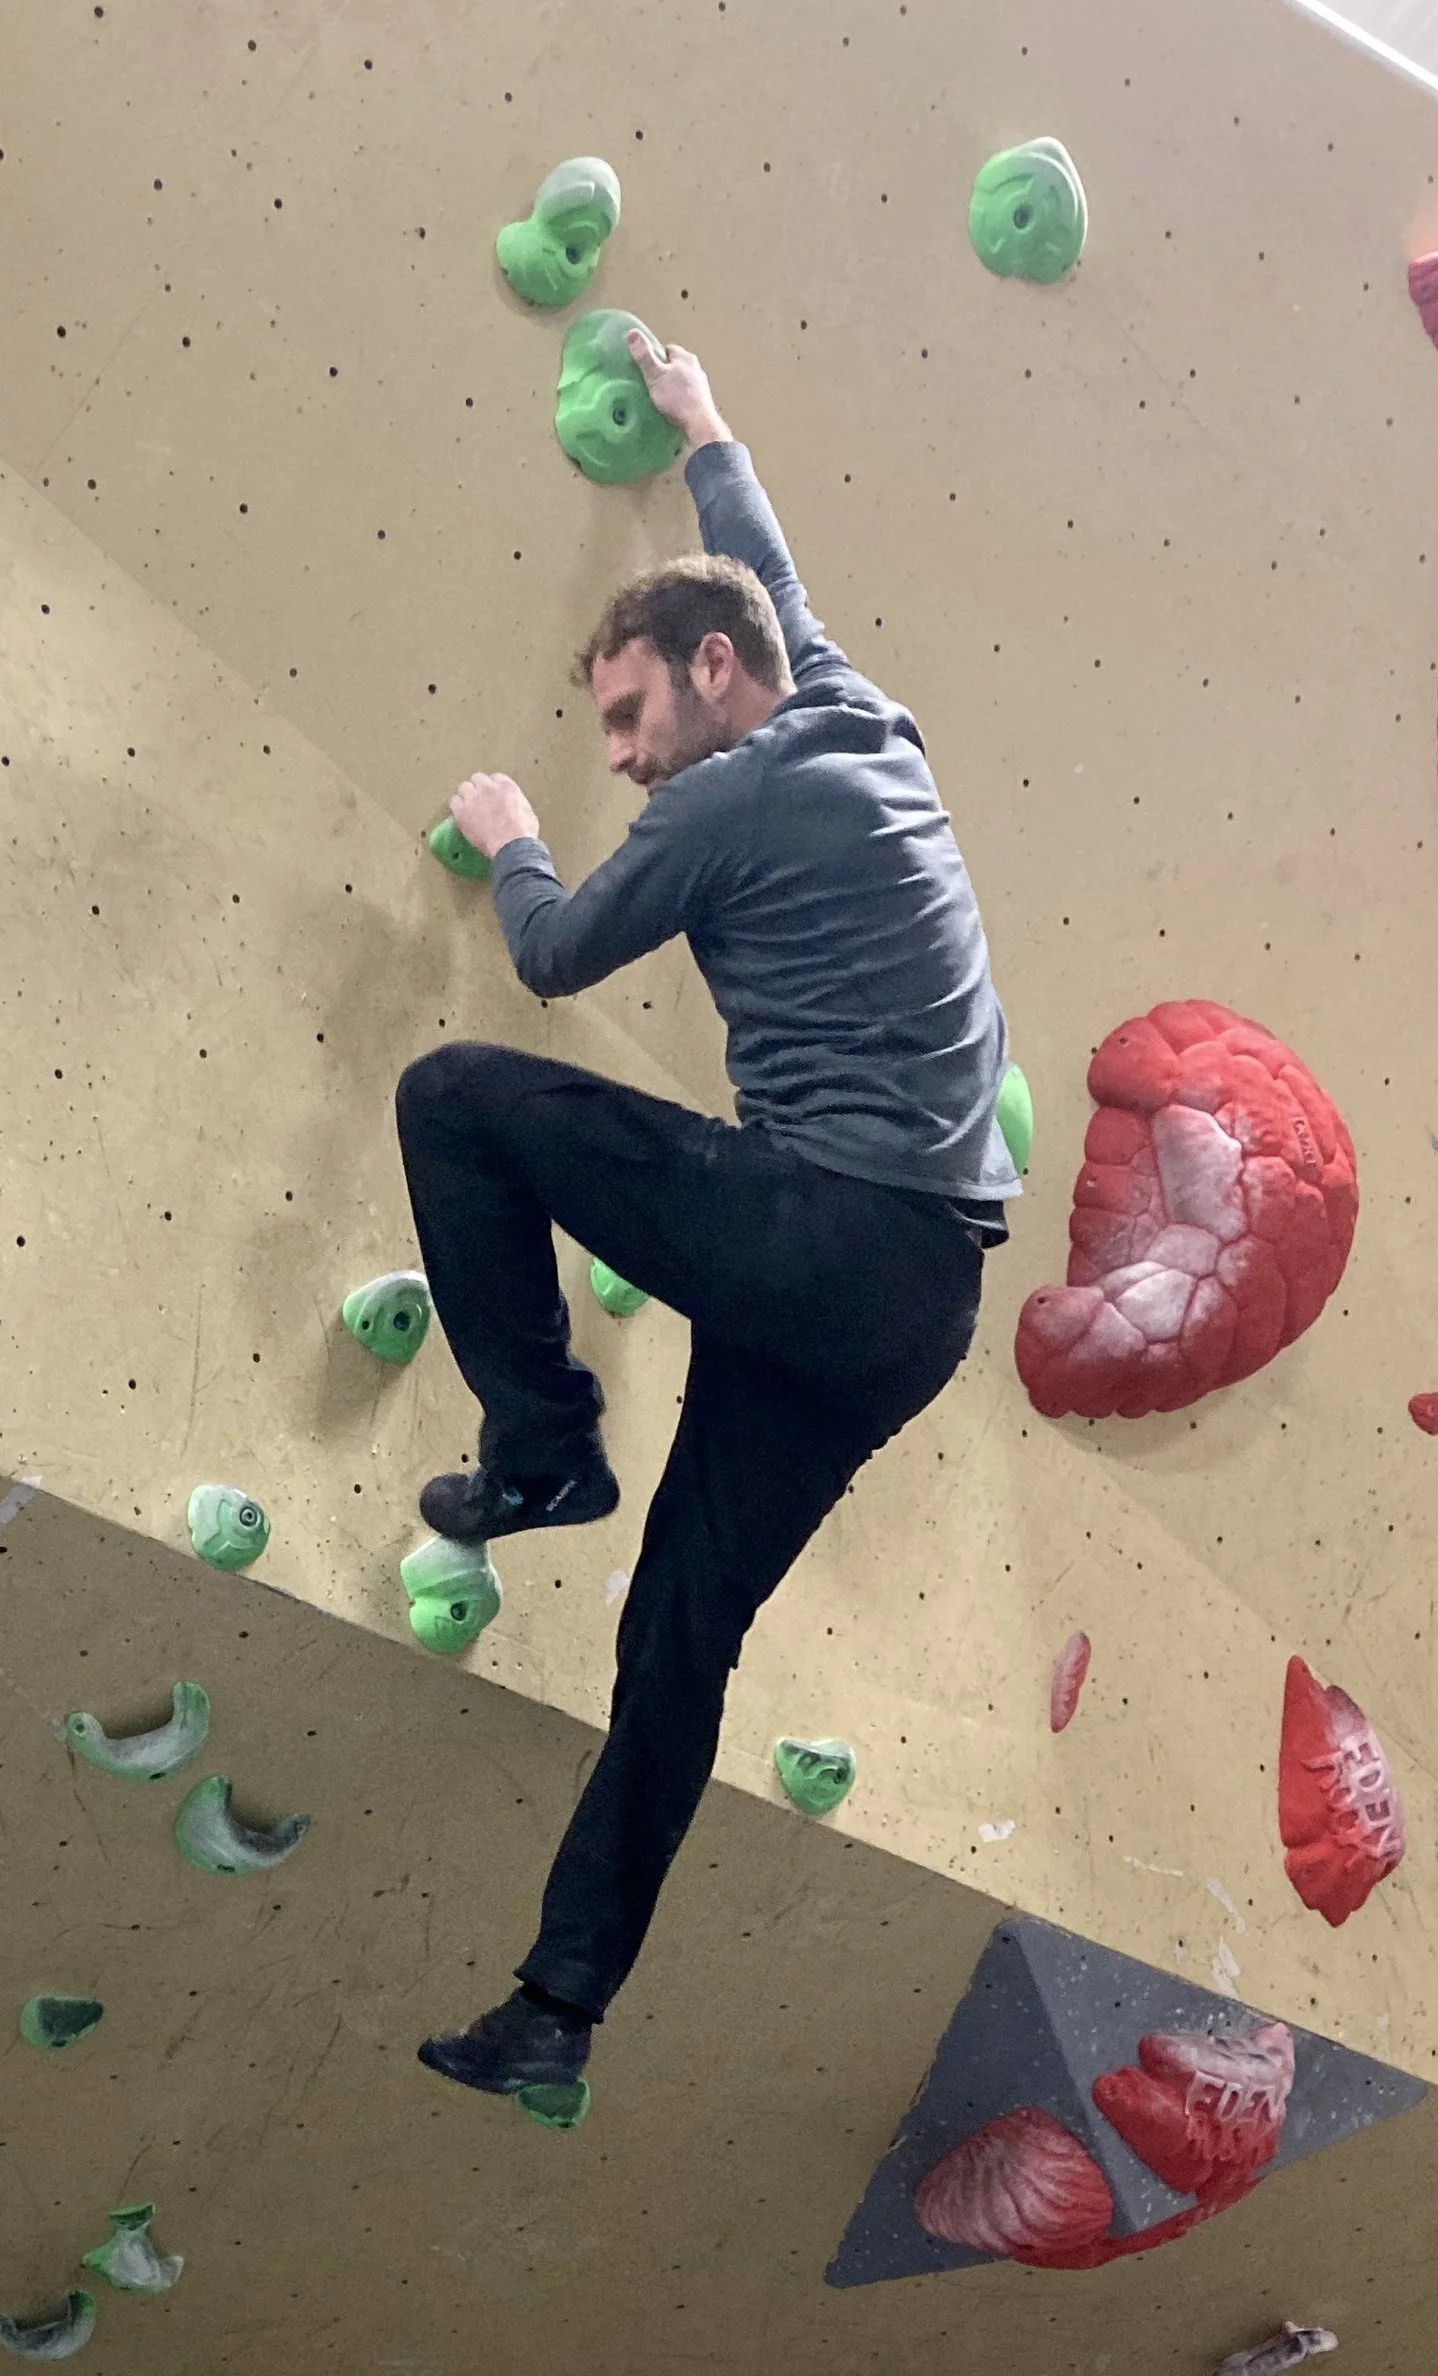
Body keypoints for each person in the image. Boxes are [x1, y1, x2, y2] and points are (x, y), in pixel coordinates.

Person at [405, 327, 1019, 2104]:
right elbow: (771, 566)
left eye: (624, 718)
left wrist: (513, 832)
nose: (616, 759)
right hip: (906, 1311)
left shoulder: (728, 796)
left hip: (826, 1228)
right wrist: (703, 428)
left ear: (713, 672)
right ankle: (558, 2015)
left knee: (455, 1097)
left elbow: (550, 956)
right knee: (678, 1626)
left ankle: (541, 1452)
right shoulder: (850, 709)